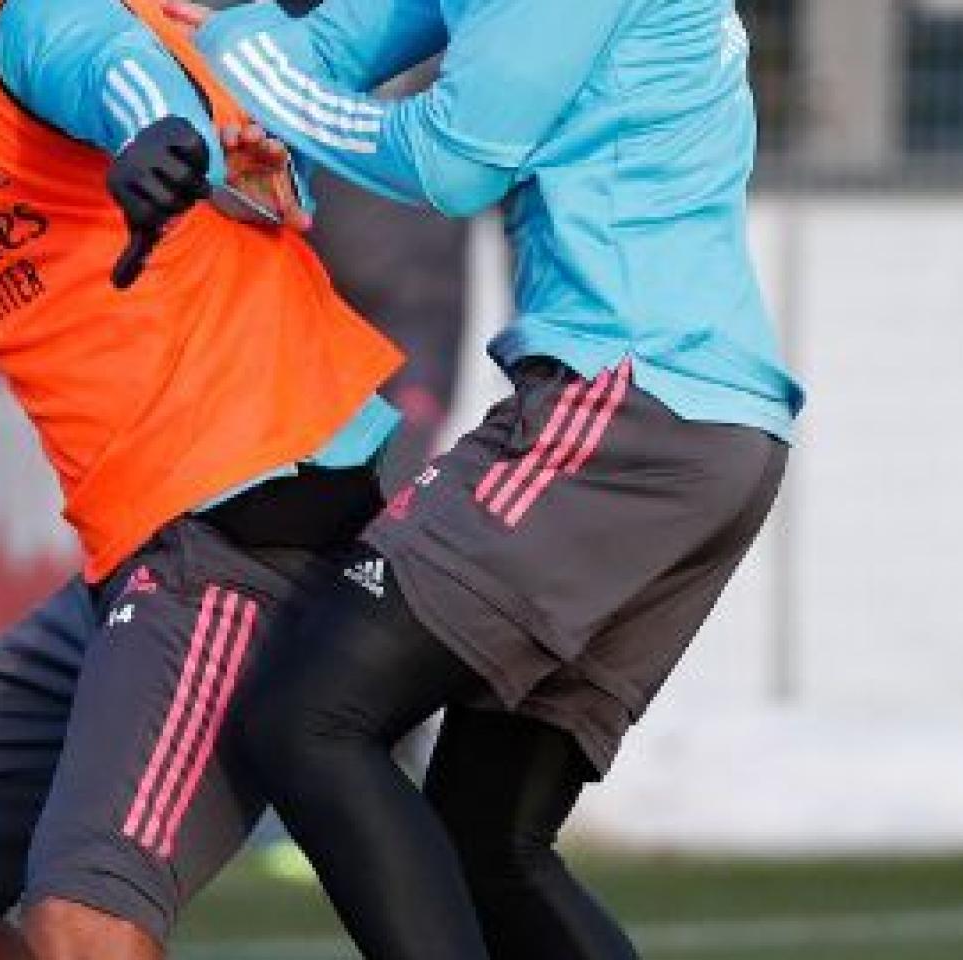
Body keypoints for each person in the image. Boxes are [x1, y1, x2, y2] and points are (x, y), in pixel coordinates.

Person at [160, 0, 806, 957]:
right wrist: (225, 64)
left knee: (309, 717)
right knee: (486, 838)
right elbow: (332, 47)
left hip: (626, 409)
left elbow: (450, 162)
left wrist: (241, 63)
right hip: (693, 423)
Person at [0, 1, 405, 959]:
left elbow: (125, 76)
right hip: (142, 558)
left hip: (245, 526)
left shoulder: (18, 19)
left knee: (85, 925)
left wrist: (161, 136)